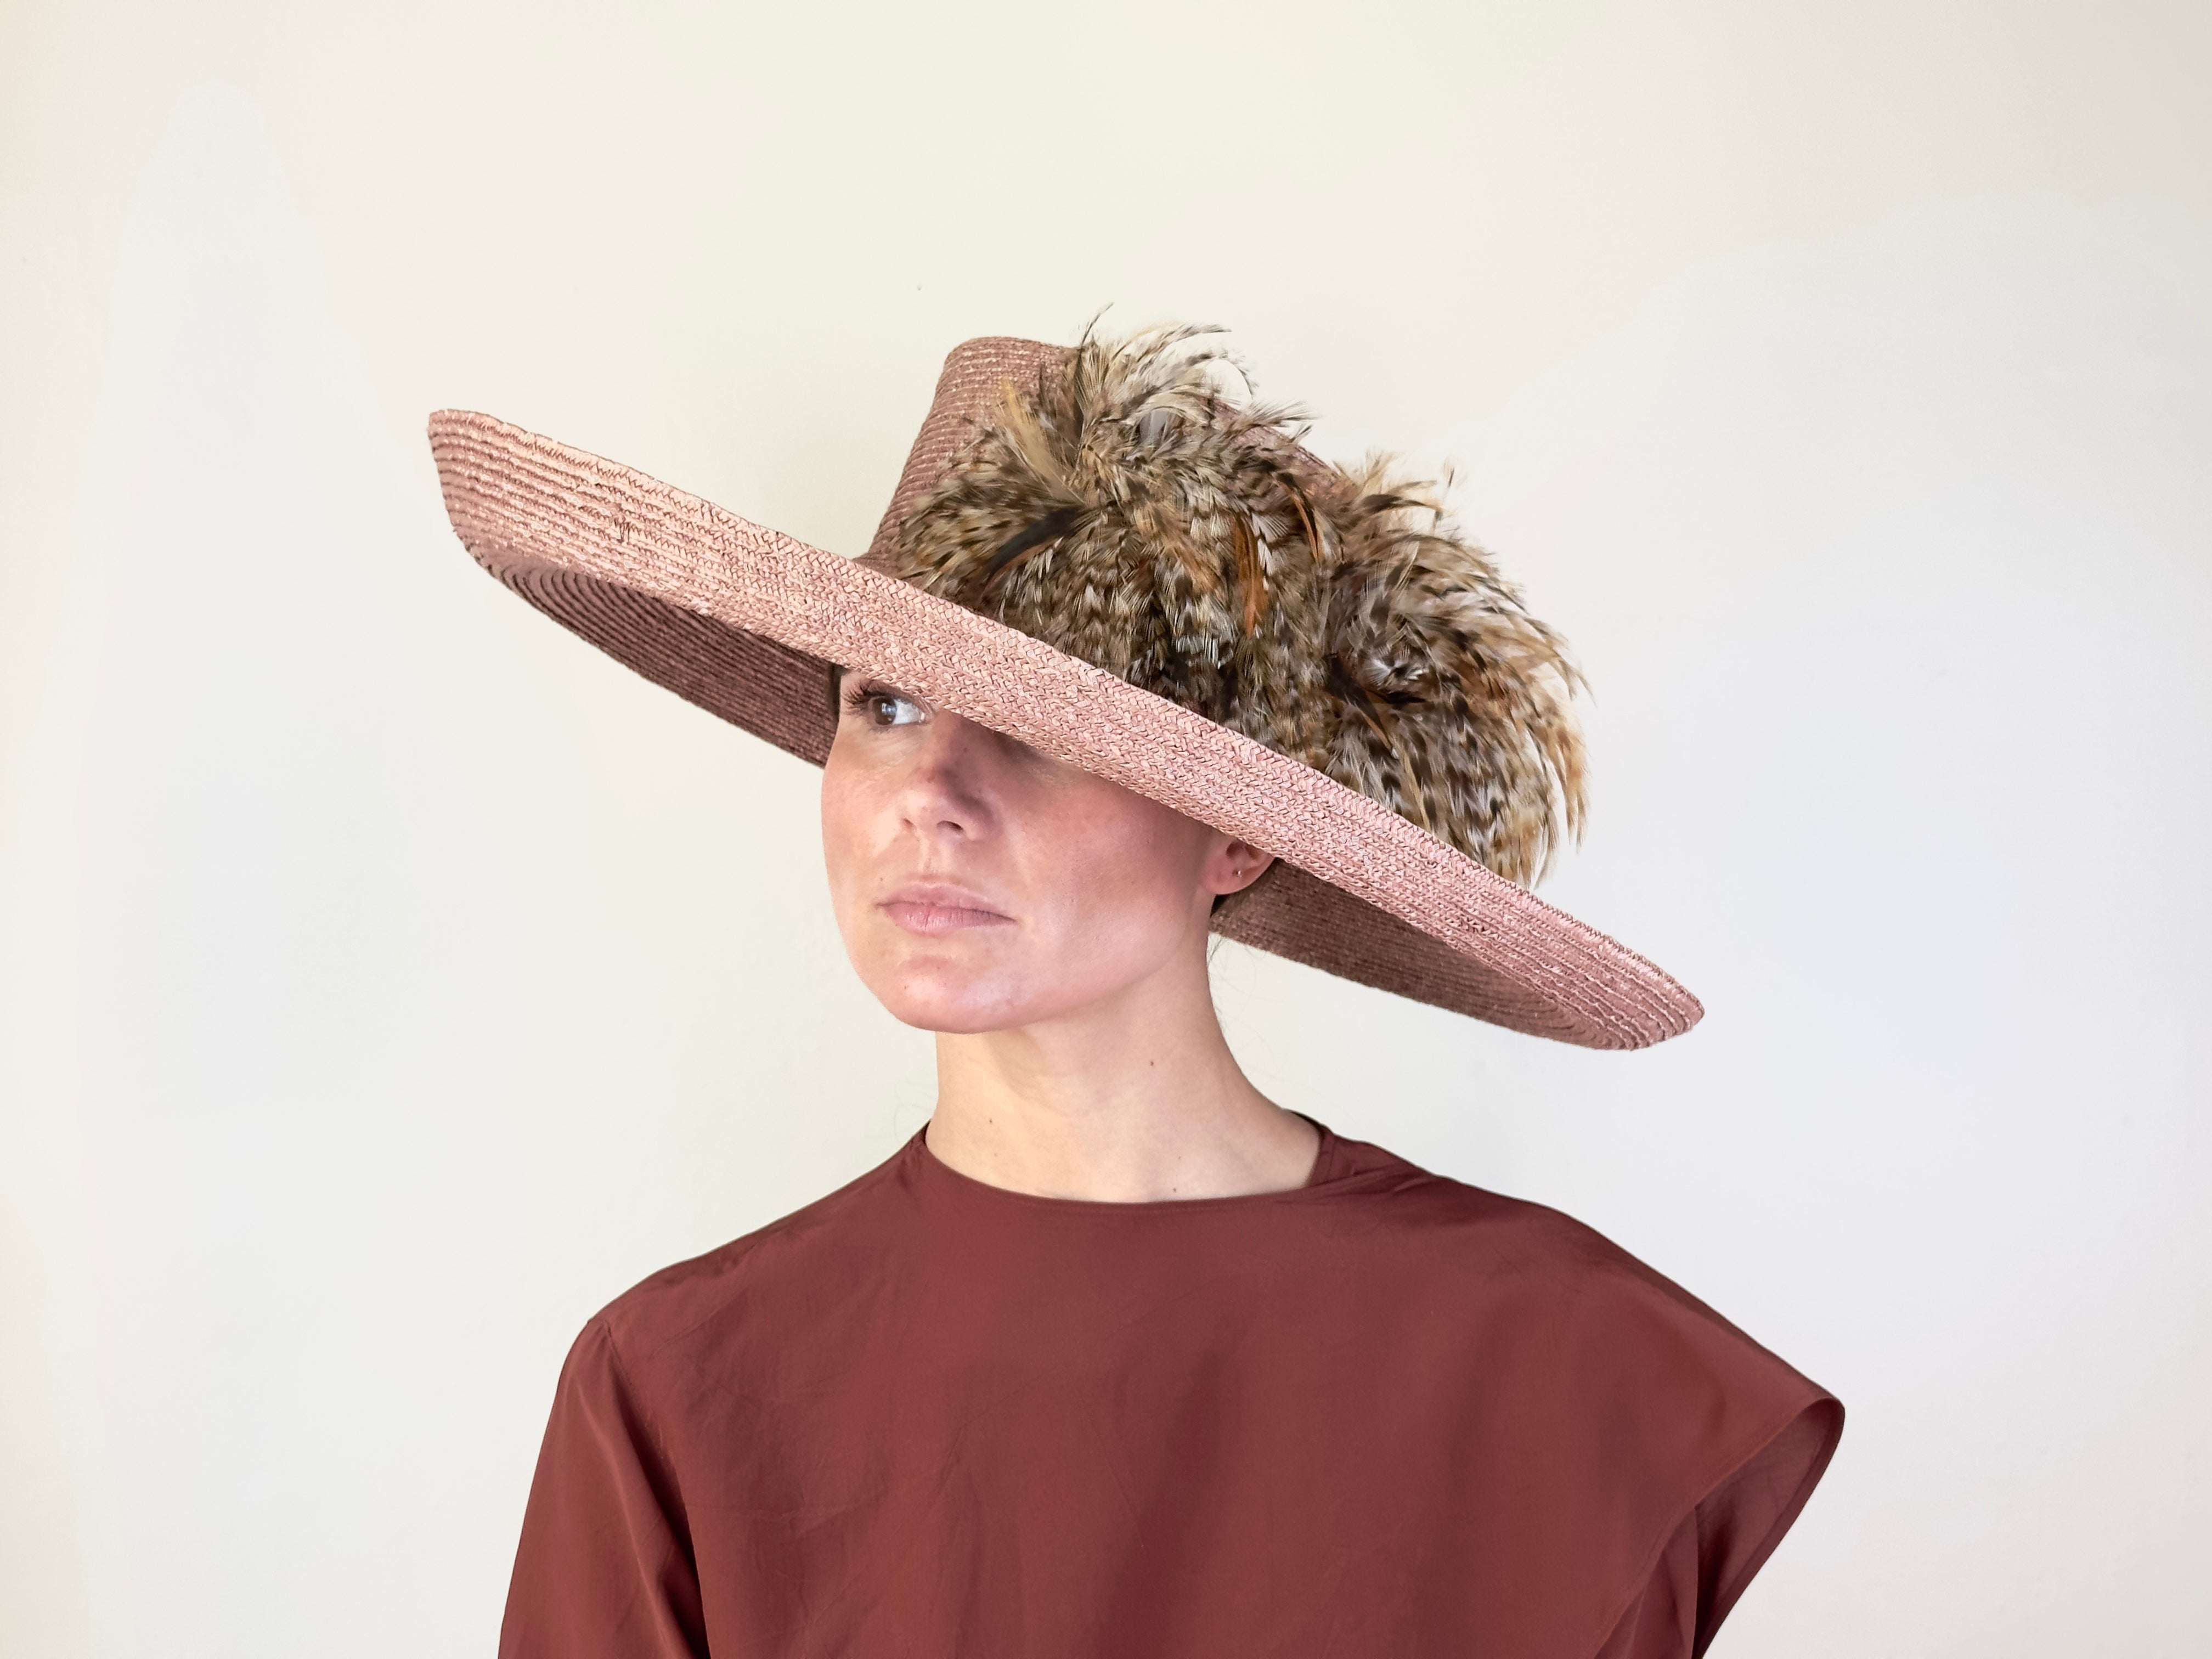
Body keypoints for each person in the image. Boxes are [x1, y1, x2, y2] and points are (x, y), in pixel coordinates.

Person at [430, 325, 1841, 1657]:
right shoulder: (681, 1390)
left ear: (1239, 836)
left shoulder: (1568, 1373)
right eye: (885, 705)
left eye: (1042, 731)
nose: (928, 795)